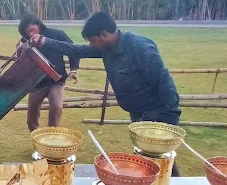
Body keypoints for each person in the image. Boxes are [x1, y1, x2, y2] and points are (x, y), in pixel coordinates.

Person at [29, 11, 181, 174]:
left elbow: (164, 81)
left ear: (104, 34)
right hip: (138, 113)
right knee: (150, 162)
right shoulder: (106, 48)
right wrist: (45, 41)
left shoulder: (139, 47)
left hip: (157, 114)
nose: (92, 45)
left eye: (93, 40)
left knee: (160, 162)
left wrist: (170, 118)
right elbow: (76, 50)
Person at [17, 12, 80, 132]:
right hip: (36, 83)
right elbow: (22, 62)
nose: (31, 34)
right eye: (27, 33)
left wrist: (73, 69)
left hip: (56, 81)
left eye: (32, 30)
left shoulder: (57, 34)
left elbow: (73, 50)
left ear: (38, 24)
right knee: (31, 116)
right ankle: (36, 137)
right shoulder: (25, 42)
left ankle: (51, 136)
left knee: (56, 107)